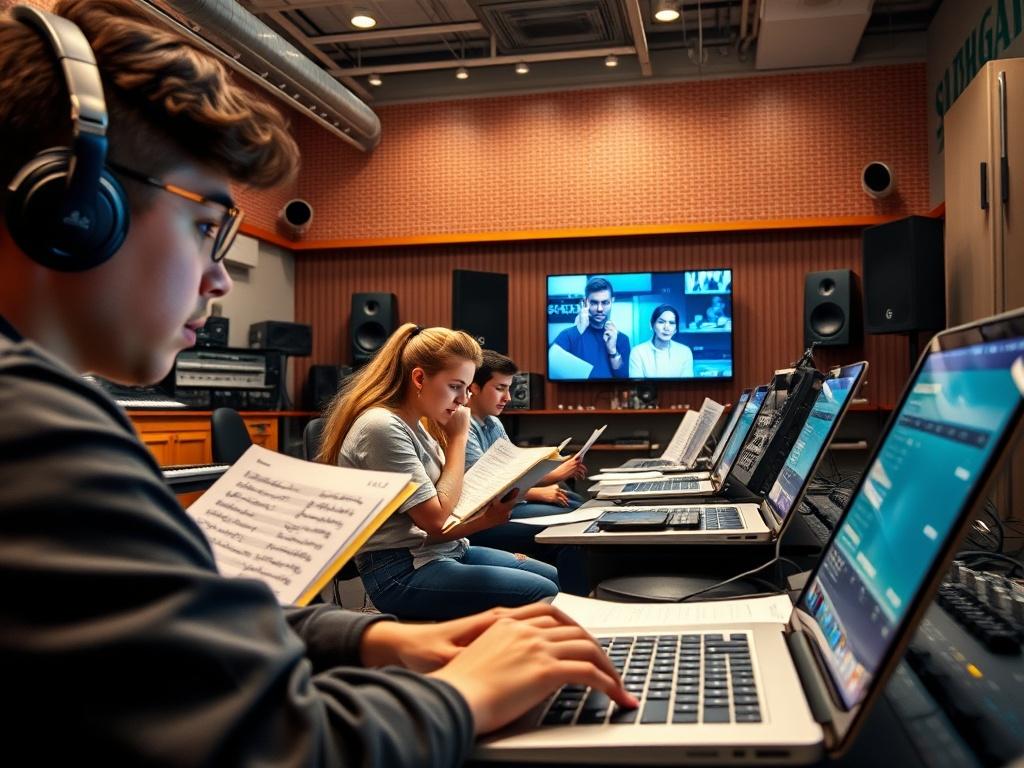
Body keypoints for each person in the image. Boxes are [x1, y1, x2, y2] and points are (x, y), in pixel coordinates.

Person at [0, 2, 634, 762]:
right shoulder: (30, 427)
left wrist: (372, 638)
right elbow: (279, 748)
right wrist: (465, 694)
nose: (220, 280)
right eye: (208, 226)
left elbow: (183, 620)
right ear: (73, 208)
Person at [318, 324, 562, 620]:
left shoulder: (418, 423)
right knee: (538, 591)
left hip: (442, 550)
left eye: (466, 388)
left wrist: (487, 519)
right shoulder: (381, 427)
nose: (463, 400)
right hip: (399, 569)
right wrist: (458, 438)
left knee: (549, 576)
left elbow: (443, 509)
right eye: (455, 386)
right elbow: (435, 519)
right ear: (419, 378)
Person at [464, 349, 589, 594]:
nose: (508, 397)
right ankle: (574, 600)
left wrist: (556, 472)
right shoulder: (464, 426)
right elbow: (487, 489)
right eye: (500, 388)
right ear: (474, 388)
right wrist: (540, 492)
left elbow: (513, 472)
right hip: (484, 517)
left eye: (509, 389)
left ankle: (571, 593)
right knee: (572, 524)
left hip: (507, 503)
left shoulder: (492, 422)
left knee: (579, 505)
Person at [550, 276, 630, 379]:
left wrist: (612, 350)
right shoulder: (569, 335)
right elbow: (552, 365)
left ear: (612, 301)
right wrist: (578, 330)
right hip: (577, 393)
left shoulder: (622, 339)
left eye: (605, 303)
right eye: (594, 303)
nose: (600, 309)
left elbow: (623, 377)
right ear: (585, 302)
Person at [628, 304, 694, 378]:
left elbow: (686, 386)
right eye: (661, 322)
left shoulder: (685, 352)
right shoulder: (638, 352)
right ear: (652, 325)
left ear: (675, 329)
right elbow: (637, 386)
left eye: (671, 323)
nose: (666, 327)